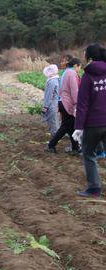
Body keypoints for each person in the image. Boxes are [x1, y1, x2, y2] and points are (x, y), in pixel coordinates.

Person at [74, 43, 106, 197]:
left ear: (90, 57)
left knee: (88, 153)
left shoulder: (88, 76)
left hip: (93, 124)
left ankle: (94, 189)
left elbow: (82, 104)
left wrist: (78, 127)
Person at [47, 58, 82, 154]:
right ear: (76, 65)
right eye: (80, 67)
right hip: (67, 103)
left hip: (62, 102)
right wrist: (77, 104)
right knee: (66, 126)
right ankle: (51, 145)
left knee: (70, 127)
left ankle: (75, 148)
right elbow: (74, 90)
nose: (79, 69)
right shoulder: (72, 73)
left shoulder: (66, 72)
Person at [42, 64, 60, 137]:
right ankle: (56, 135)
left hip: (52, 104)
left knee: (53, 121)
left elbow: (49, 95)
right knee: (54, 121)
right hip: (55, 103)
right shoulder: (56, 79)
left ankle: (55, 138)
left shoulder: (52, 81)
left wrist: (45, 106)